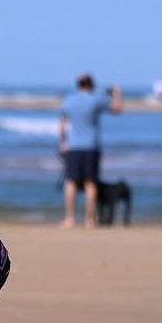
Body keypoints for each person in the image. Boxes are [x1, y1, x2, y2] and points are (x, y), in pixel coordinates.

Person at [58, 73, 123, 227]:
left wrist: (63, 143)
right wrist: (117, 94)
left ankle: (70, 218)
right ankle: (90, 220)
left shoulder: (69, 100)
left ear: (78, 84)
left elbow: (61, 123)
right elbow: (117, 109)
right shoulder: (96, 99)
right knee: (90, 183)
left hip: (74, 146)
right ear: (92, 85)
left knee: (71, 182)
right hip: (91, 146)